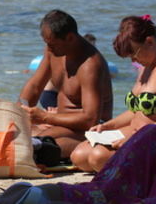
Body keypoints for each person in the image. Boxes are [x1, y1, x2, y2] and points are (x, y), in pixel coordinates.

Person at [0, 124, 156, 204]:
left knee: (20, 190)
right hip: (65, 195)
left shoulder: (116, 177)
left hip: (68, 191)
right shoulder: (135, 190)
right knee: (23, 193)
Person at [71, 15, 156, 172]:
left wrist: (136, 139)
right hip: (135, 132)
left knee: (98, 157)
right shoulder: (144, 67)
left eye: (135, 53)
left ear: (150, 42)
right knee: (79, 156)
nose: (133, 60)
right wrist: (107, 126)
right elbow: (136, 111)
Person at [18, 10, 113, 158]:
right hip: (59, 122)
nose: (49, 49)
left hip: (91, 129)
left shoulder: (90, 65)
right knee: (15, 134)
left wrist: (44, 117)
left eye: (52, 44)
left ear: (70, 38)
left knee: (35, 145)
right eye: (47, 44)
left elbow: (90, 119)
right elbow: (35, 86)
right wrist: (18, 114)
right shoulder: (53, 51)